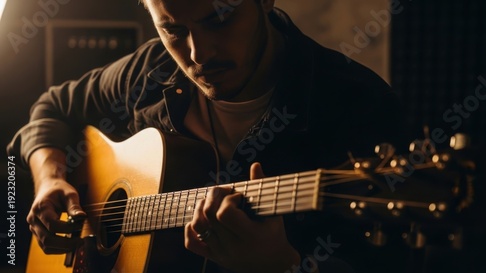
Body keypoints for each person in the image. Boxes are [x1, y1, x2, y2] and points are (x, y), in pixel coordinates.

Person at [8, 0, 405, 272]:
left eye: (219, 20)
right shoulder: (151, 68)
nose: (198, 54)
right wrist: (50, 179)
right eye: (173, 29)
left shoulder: (360, 106)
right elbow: (53, 107)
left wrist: (283, 266)